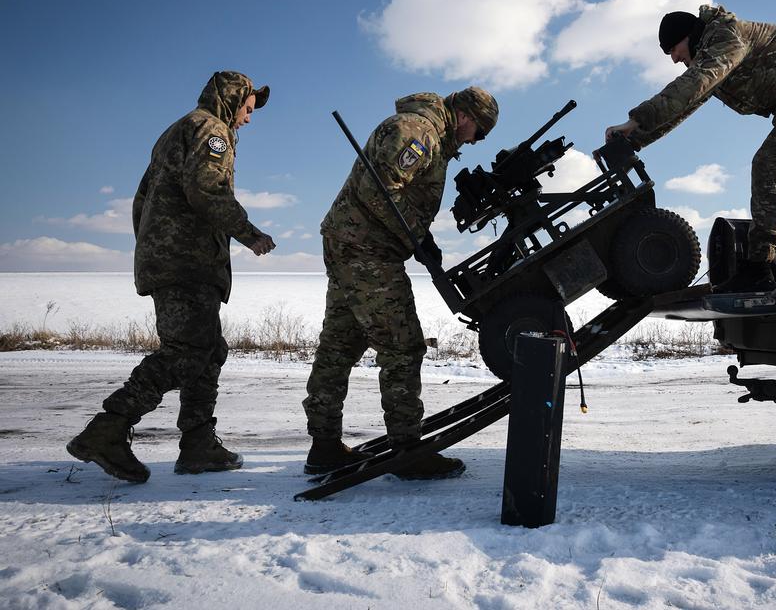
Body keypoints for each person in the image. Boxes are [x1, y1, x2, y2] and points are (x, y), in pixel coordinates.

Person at [67, 71, 276, 483]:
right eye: (248, 109)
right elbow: (207, 189)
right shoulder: (210, 129)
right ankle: (107, 429)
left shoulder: (177, 131)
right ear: (232, 99)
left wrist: (152, 250)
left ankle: (198, 445)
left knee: (208, 350)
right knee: (186, 351)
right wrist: (249, 233)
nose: (248, 120)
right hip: (187, 261)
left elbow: (142, 199)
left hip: (173, 258)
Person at [302, 87, 499, 478]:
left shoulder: (426, 133)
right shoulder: (418, 130)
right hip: (366, 249)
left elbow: (395, 193)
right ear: (465, 117)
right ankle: (407, 449)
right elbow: (377, 190)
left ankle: (324, 445)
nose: (475, 141)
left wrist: (421, 237)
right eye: (479, 132)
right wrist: (416, 234)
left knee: (341, 343)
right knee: (403, 346)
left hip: (355, 243)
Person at [603, 5, 776, 291]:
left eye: (673, 49)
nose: (674, 59)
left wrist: (636, 118)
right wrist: (634, 137)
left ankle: (758, 269)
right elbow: (688, 103)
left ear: (689, 36)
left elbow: (692, 86)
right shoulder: (711, 53)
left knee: (769, 165)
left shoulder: (726, 38)